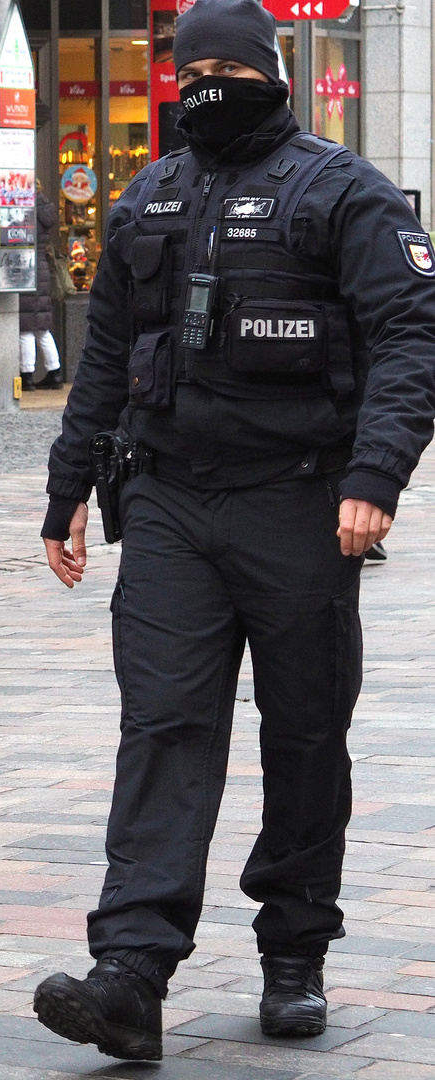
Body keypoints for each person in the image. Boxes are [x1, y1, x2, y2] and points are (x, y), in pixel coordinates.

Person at [35, 0, 435, 1060]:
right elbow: (108, 355)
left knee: (304, 733)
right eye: (190, 64)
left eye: (228, 63)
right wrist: (67, 485)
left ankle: (294, 948)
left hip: (301, 503)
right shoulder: (149, 195)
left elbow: (410, 336)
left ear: (274, 73)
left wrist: (375, 473)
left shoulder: (346, 192)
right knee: (162, 726)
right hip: (167, 501)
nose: (209, 80)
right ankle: (132, 969)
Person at [19, 182, 62, 391]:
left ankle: (26, 375)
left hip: (25, 265)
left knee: (26, 327)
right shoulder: (46, 208)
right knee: (42, 328)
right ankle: (54, 372)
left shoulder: (27, 207)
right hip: (41, 267)